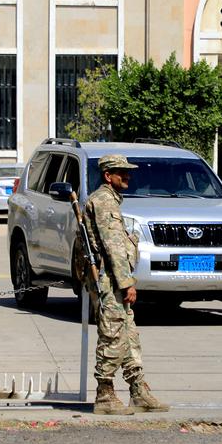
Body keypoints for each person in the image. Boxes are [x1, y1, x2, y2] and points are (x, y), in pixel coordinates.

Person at [84, 154, 169, 415]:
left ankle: (138, 389)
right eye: (122, 172)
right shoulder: (104, 201)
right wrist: (126, 283)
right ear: (108, 176)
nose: (127, 176)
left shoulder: (111, 199)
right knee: (112, 335)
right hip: (111, 280)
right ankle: (105, 394)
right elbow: (113, 248)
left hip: (116, 279)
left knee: (128, 335)